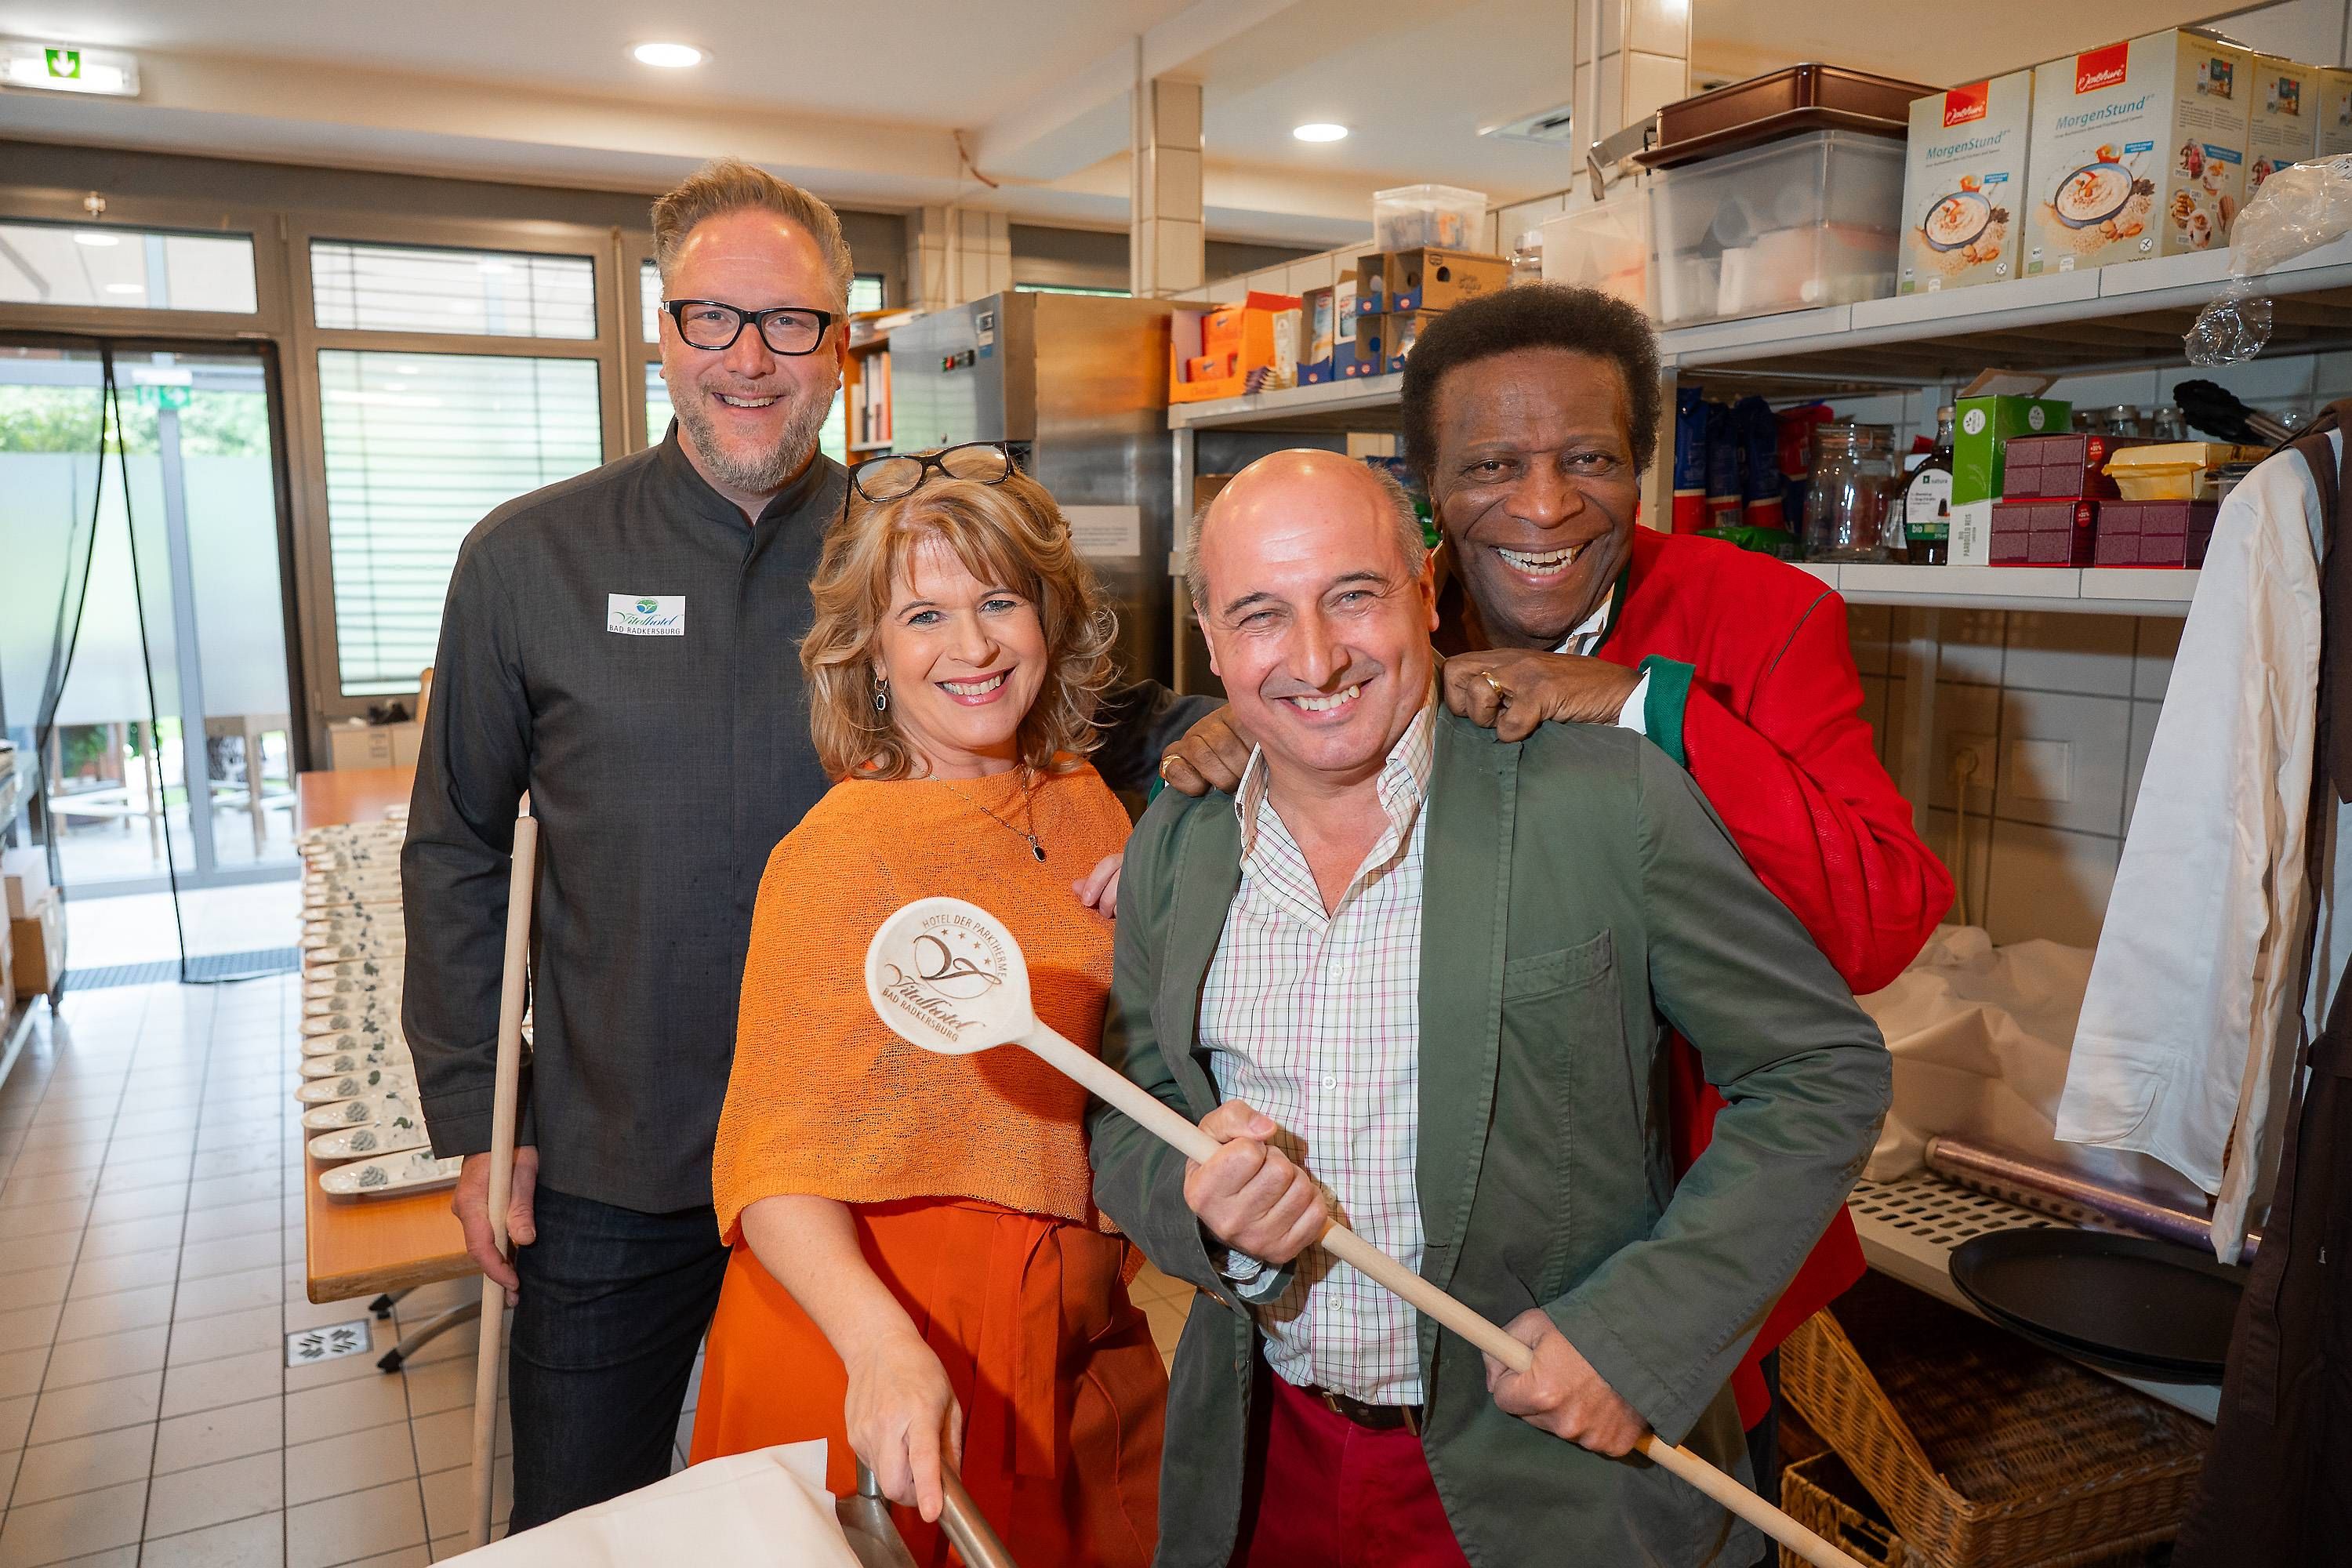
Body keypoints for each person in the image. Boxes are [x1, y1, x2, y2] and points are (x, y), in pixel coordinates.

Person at [402, 160, 1200, 1530]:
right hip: (617, 1152)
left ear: (840, 345)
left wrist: (1226, 737)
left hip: (879, 1181)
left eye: (792, 324)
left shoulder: (911, 542)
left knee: (851, 1519)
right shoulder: (527, 559)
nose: (750, 359)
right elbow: (460, 848)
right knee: (586, 1522)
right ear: (662, 329)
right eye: (713, 318)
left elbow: (1085, 707)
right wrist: (484, 1118)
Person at [1156, 284, 1950, 1494]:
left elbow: (1880, 920)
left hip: (1690, 1239)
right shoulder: (1398, 615)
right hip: (1430, 1295)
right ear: (1428, 498)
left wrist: (1650, 705)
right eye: (1491, 465)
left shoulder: (1763, 617)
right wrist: (1257, 729)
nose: (1543, 504)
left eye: (1591, 457)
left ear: (1643, 464)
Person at [688, 456, 1163, 1566]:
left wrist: (1171, 902)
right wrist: (882, 1348)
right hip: (878, 1335)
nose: (974, 646)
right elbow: (770, 1166)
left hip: (1072, 1330)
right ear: (871, 653)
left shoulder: (1086, 803)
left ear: (1051, 617)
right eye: (925, 615)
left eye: (1001, 601)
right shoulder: (839, 853)